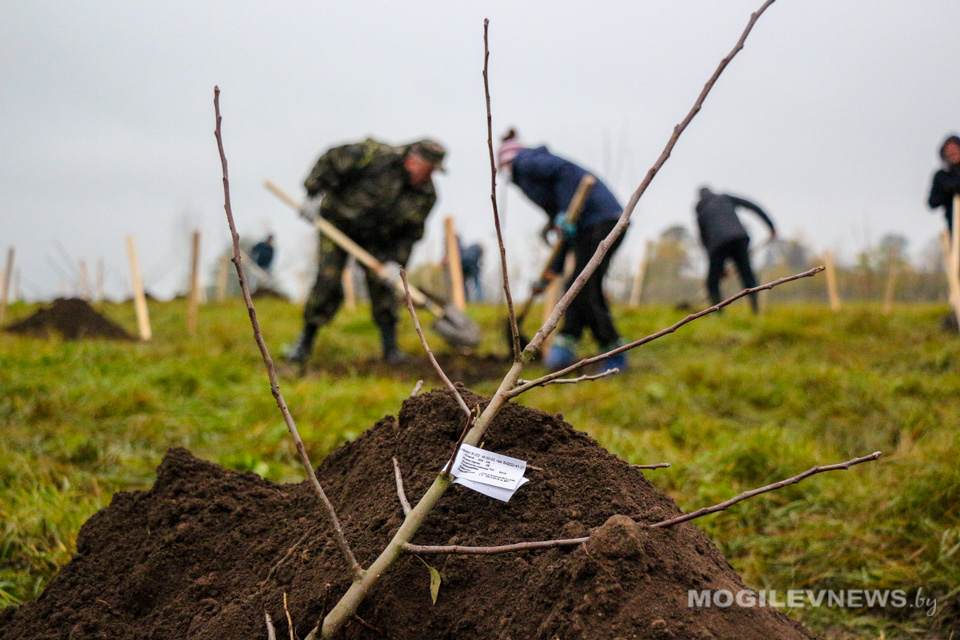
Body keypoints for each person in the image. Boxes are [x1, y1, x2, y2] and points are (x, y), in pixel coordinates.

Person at [286, 137, 446, 364]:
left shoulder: (426, 195)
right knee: (327, 282)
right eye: (428, 170)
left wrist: (396, 262)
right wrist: (312, 193)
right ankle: (304, 343)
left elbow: (410, 234)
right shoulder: (376, 156)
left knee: (383, 286)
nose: (429, 177)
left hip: (377, 240)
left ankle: (391, 350)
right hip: (338, 224)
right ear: (413, 162)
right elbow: (332, 159)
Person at [497, 129, 626, 373]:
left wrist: (566, 211)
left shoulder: (525, 162)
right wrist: (551, 271)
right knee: (579, 286)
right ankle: (566, 346)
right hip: (593, 223)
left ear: (505, 164)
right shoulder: (530, 172)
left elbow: (565, 174)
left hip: (599, 221)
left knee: (582, 288)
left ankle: (613, 351)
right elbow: (565, 231)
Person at [694, 186, 776, 314]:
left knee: (712, 282)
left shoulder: (701, 208)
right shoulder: (724, 198)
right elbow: (752, 206)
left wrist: (717, 267)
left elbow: (704, 237)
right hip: (739, 238)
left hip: (717, 244)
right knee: (747, 274)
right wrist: (771, 226)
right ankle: (755, 310)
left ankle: (718, 314)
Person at [927, 134, 960, 234]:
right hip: (955, 228)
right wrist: (950, 190)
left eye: (956, 148)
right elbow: (933, 202)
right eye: (949, 149)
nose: (953, 152)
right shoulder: (942, 176)